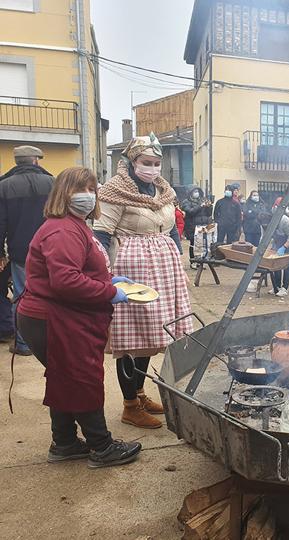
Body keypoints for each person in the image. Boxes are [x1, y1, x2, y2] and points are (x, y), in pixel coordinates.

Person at [17, 166, 141, 468]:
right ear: (63, 193)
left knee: (65, 378)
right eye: (79, 189)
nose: (87, 196)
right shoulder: (62, 229)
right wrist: (108, 292)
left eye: (91, 189)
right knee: (82, 378)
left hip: (55, 317)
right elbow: (66, 281)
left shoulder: (72, 225)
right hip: (53, 319)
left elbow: (76, 270)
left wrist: (107, 279)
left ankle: (65, 443)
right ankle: (102, 447)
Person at [94, 135, 192, 430]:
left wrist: (179, 263)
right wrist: (105, 274)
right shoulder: (115, 191)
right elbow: (101, 234)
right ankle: (129, 406)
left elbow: (172, 230)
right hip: (132, 270)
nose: (152, 168)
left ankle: (139, 393)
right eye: (146, 163)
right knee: (131, 339)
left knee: (151, 337)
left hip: (164, 271)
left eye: (156, 163)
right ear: (132, 162)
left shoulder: (163, 190)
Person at [0, 145, 54, 356]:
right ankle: (52, 339)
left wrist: (1, 254)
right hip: (52, 249)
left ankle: (23, 344)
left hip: (21, 251)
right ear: (36, 161)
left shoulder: (4, 186)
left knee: (22, 295)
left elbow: (1, 224)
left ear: (17, 162)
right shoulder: (53, 182)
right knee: (52, 293)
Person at [258, 209, 289, 297]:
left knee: (287, 265)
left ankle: (285, 288)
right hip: (277, 242)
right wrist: (261, 249)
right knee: (275, 264)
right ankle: (277, 286)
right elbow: (263, 238)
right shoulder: (263, 224)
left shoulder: (284, 221)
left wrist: (284, 247)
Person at [181, 187, 213, 261]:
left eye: (197, 191)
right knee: (193, 244)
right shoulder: (186, 202)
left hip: (202, 225)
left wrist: (209, 207)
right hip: (192, 226)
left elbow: (208, 214)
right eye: (195, 191)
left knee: (201, 244)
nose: (197, 193)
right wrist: (200, 206)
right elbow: (190, 212)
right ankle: (193, 260)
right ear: (190, 193)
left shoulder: (201, 200)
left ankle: (201, 260)